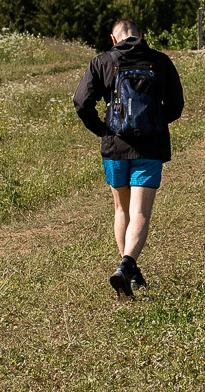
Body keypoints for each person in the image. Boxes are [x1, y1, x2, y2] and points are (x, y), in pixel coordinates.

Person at [73, 17, 185, 300]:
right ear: (141, 34)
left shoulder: (102, 61)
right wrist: (156, 122)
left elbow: (81, 102)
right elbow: (176, 105)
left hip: (114, 146)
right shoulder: (159, 61)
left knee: (121, 210)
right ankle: (127, 267)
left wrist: (102, 129)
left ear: (114, 39)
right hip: (150, 148)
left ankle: (128, 269)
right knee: (140, 213)